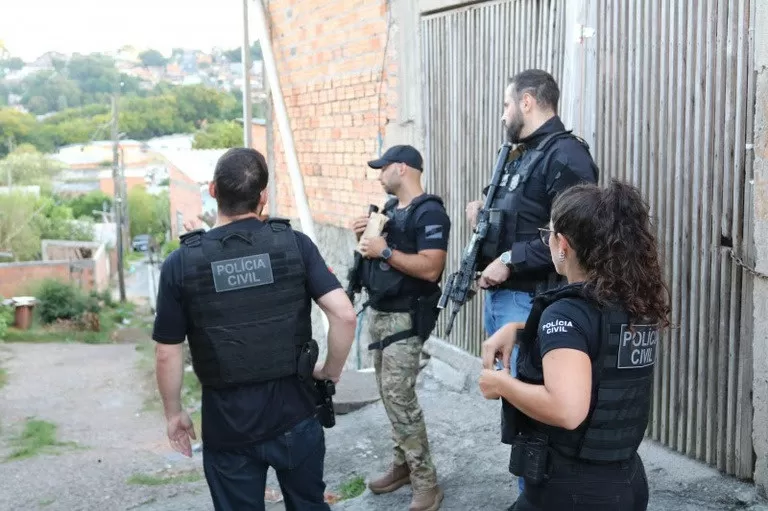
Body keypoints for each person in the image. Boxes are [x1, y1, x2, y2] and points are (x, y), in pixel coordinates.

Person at [152, 148, 357, 511]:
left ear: (213, 190)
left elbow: (167, 350)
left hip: (228, 427)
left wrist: (174, 413)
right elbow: (344, 315)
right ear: (263, 196)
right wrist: (329, 372)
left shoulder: (181, 263)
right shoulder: (294, 245)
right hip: (296, 413)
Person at [477, 180, 670, 510]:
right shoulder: (633, 301)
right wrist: (521, 329)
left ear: (561, 243)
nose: (548, 241)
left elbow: (566, 410)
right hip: (626, 481)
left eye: (548, 234)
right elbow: (595, 344)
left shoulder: (566, 312)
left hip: (571, 491)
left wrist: (501, 384)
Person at [465, 69, 599, 499]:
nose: (504, 114)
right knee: (518, 408)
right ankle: (531, 491)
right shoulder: (520, 154)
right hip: (504, 299)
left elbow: (577, 238)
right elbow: (517, 220)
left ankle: (540, 496)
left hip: (533, 300)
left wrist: (510, 259)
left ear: (527, 101)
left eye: (507, 104)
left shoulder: (567, 156)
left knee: (537, 408)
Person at [350, 144, 451, 511]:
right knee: (388, 395)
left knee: (400, 398)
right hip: (380, 313)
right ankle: (403, 466)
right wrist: (363, 238)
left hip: (407, 318)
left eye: (383, 167)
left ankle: (427, 484)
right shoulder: (392, 210)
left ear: (403, 168)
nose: (379, 174)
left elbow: (431, 268)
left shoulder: (430, 213)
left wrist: (386, 251)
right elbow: (372, 259)